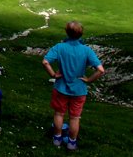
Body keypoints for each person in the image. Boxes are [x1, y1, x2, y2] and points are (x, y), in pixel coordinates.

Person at [42, 20, 105, 151]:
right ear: (81, 34)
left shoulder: (60, 47)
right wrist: (88, 80)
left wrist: (53, 75)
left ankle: (57, 139)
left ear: (67, 32)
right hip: (79, 89)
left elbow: (45, 62)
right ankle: (71, 143)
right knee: (75, 117)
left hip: (61, 87)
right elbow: (100, 70)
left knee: (59, 114)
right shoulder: (86, 50)